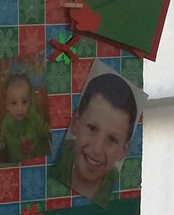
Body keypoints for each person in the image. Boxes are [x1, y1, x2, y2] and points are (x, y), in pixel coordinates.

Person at [53, 72, 138, 206]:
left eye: (112, 139)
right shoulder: (54, 158)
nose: (97, 149)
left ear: (123, 150)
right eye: (92, 129)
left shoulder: (122, 190)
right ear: (75, 123)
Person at [0, 73, 51, 165]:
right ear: (7, 105)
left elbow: (42, 128)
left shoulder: (33, 115)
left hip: (37, 160)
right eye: (14, 103)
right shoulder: (6, 123)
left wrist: (50, 131)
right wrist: (0, 144)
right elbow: (2, 137)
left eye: (24, 102)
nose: (20, 108)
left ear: (30, 102)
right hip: (17, 163)